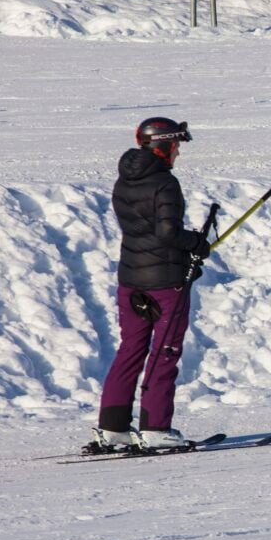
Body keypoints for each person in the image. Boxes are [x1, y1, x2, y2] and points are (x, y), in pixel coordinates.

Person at [89, 117, 211, 452]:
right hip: (165, 283)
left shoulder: (123, 180)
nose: (177, 154)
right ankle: (156, 428)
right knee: (165, 352)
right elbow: (167, 233)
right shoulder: (164, 183)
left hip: (130, 280)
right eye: (176, 147)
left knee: (130, 350)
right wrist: (196, 244)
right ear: (164, 146)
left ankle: (112, 427)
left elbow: (145, 231)